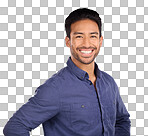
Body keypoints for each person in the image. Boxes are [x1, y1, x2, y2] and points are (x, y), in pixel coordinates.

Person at [3, 8, 131, 136]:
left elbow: (121, 120)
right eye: (79, 36)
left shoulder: (109, 82)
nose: (87, 44)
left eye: (93, 36)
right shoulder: (55, 88)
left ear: (100, 41)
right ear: (68, 41)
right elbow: (15, 127)